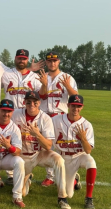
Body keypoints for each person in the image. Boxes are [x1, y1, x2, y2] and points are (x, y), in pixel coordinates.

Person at [0, 91, 70, 209]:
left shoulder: (45, 118)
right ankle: (26, 179)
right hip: (22, 156)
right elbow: (3, 116)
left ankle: (62, 197)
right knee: (23, 193)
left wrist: (37, 134)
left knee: (58, 160)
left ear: (39, 103)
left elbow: (49, 146)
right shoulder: (17, 114)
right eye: (28, 102)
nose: (32, 104)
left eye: (35, 102)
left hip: (39, 154)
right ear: (24, 102)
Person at [2, 49, 47, 185]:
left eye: (24, 59)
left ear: (27, 60)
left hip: (26, 113)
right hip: (10, 113)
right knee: (9, 141)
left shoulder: (33, 76)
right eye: (19, 58)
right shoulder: (6, 74)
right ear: (15, 58)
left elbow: (43, 95)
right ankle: (11, 174)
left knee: (26, 142)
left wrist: (44, 84)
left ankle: (26, 170)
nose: (21, 61)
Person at [38, 51, 78, 187]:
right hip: (45, 116)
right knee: (47, 147)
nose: (52, 63)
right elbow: (41, 97)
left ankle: (71, 173)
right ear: (46, 63)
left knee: (62, 147)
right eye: (49, 61)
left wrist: (67, 86)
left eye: (54, 61)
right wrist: (44, 84)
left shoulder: (67, 77)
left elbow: (75, 97)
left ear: (59, 61)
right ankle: (50, 176)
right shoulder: (42, 76)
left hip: (60, 115)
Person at [52, 95, 96, 209]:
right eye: (73, 105)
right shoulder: (56, 120)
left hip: (79, 155)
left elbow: (88, 150)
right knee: (69, 194)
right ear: (68, 105)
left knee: (91, 162)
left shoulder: (87, 125)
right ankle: (75, 180)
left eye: (78, 106)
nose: (75, 109)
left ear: (82, 107)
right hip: (63, 157)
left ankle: (89, 198)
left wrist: (83, 138)